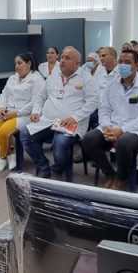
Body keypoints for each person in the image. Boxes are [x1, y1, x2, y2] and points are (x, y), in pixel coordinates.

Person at [81, 49, 138, 190]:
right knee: (88, 139)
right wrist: (107, 127)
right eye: (120, 62)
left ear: (137, 65)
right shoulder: (111, 85)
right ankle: (110, 174)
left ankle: (122, 178)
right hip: (111, 127)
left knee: (123, 142)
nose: (122, 65)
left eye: (127, 62)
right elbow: (104, 109)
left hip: (136, 131)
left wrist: (122, 130)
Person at [22, 47, 98, 180]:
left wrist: (75, 117)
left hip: (72, 123)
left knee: (60, 143)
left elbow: (93, 102)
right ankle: (44, 166)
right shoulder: (54, 75)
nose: (62, 60)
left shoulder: (86, 78)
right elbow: (40, 96)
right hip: (48, 120)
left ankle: (56, 169)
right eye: (62, 57)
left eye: (67, 58)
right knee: (25, 133)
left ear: (77, 63)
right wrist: (36, 111)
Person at [0, 53, 44, 171]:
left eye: (19, 63)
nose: (16, 66)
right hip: (8, 112)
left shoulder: (37, 79)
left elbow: (35, 102)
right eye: (15, 64)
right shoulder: (13, 78)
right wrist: (1, 108)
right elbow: (4, 94)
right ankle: (10, 153)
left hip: (25, 115)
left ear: (29, 64)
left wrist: (16, 113)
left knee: (3, 131)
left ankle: (2, 158)